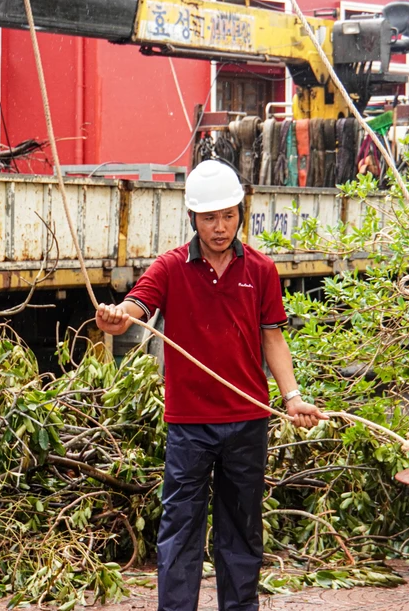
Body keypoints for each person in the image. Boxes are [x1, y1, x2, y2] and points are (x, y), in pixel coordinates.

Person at [95, 160, 327, 611]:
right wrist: (117, 316)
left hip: (247, 422)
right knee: (180, 530)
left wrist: (292, 396)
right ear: (192, 219)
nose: (220, 227)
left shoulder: (260, 270)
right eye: (209, 218)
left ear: (241, 212)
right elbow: (138, 304)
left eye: (228, 215)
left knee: (241, 531)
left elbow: (273, 337)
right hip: (189, 424)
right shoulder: (170, 268)